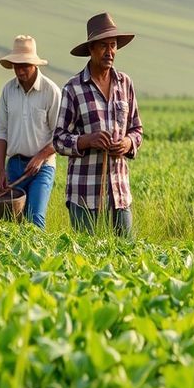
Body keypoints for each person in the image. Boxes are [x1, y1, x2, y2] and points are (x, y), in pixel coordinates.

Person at [53, 12, 143, 237]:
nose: (109, 51)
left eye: (113, 45)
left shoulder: (125, 84)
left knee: (126, 258)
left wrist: (127, 142)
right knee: (86, 262)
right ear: (91, 49)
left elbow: (137, 130)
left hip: (119, 192)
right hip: (85, 193)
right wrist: (86, 140)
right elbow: (58, 139)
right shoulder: (73, 88)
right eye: (103, 46)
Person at [0, 35, 62, 228]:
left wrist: (40, 156)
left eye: (24, 65)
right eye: (16, 65)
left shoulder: (51, 91)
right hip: (14, 166)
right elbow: (1, 131)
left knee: (35, 219)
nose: (20, 70)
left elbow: (61, 135)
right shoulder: (8, 91)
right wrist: (1, 171)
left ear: (34, 65)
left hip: (42, 167)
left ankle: (39, 258)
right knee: (11, 222)